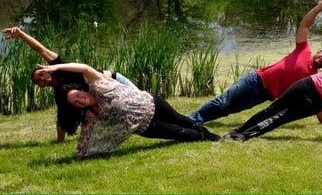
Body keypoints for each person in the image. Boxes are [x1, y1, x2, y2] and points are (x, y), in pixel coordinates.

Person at [188, 0, 322, 124]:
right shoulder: (304, 50)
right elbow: (304, 25)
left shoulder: (313, 77)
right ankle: (189, 120)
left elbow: (317, 100)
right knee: (223, 101)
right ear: (318, 51)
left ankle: (197, 120)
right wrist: (319, 8)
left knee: (227, 109)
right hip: (256, 79)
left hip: (264, 95)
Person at [36, 62, 220, 160]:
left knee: (180, 119)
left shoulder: (97, 84)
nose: (79, 100)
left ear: (81, 89)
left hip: (153, 104)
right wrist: (80, 156)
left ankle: (209, 134)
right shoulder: (91, 114)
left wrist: (56, 67)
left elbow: (83, 67)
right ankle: (202, 137)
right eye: (76, 103)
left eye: (77, 95)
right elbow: (85, 137)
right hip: (144, 127)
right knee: (179, 133)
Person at [2, 26, 133, 142]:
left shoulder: (60, 67)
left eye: (41, 74)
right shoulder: (60, 93)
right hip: (106, 95)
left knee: (143, 100)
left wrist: (20, 34)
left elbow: (41, 49)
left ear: (46, 69)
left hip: (116, 81)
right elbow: (61, 119)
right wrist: (60, 141)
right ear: (40, 86)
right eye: (38, 81)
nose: (41, 79)